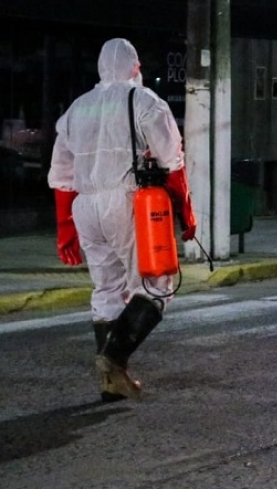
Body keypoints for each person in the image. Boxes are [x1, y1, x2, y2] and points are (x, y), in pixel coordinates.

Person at [48, 37, 196, 402]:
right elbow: (172, 162)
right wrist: (185, 213)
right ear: (135, 67)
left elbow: (61, 175)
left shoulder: (76, 109)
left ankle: (112, 382)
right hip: (128, 203)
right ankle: (114, 359)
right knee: (158, 284)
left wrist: (65, 227)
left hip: (85, 208)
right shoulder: (144, 101)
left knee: (107, 289)